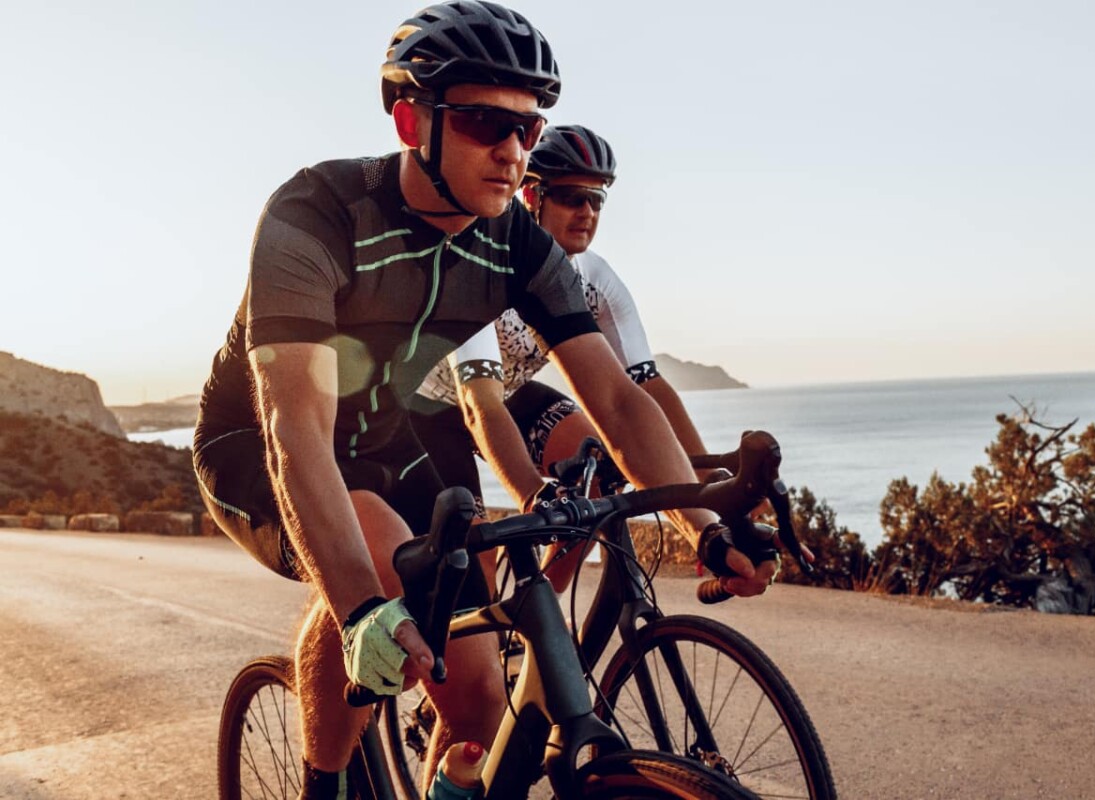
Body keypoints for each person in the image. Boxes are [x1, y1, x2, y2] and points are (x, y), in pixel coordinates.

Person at [192, 3, 777, 797]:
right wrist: (361, 606)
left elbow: (614, 393)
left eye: (527, 130)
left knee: (476, 701)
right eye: (480, 123)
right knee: (377, 565)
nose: (510, 152)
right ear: (409, 120)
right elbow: (295, 425)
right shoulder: (317, 214)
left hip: (386, 441)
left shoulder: (515, 243)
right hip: (257, 443)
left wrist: (704, 528)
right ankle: (322, 786)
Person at [409, 123, 709, 588]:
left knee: (597, 470)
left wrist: (708, 497)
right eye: (572, 197)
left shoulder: (595, 280)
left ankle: (539, 609)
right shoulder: (481, 261)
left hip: (506, 393)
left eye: (598, 200)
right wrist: (533, 495)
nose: (587, 212)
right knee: (469, 563)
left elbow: (643, 388)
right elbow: (479, 405)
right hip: (429, 407)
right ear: (533, 197)